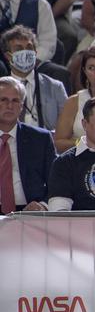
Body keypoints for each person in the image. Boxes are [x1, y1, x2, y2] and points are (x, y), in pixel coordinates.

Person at [0, 76, 58, 213]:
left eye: (15, 101)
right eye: (3, 100)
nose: (9, 106)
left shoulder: (40, 139)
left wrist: (43, 204)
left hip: (30, 213)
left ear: (21, 106)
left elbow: (57, 181)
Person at [2, 26, 68, 132]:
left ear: (35, 52)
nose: (25, 52)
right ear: (8, 56)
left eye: (29, 48)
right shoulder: (1, 89)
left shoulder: (56, 87)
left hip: (47, 144)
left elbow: (66, 127)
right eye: (19, 49)